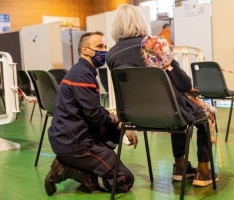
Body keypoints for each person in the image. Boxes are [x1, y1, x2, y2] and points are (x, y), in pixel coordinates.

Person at [106, 4, 218, 187]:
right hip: (168, 111)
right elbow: (184, 83)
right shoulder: (154, 44)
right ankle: (204, 172)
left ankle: (181, 168)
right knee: (203, 113)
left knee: (177, 110)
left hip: (134, 115)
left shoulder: (111, 54)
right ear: (140, 21)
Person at [44, 31, 138, 196]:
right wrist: (116, 119)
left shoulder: (82, 71)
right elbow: (95, 116)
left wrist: (117, 122)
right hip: (75, 144)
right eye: (99, 46)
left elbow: (92, 110)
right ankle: (74, 171)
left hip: (69, 139)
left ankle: (72, 164)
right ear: (85, 50)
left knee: (114, 129)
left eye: (105, 46)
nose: (104, 50)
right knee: (124, 179)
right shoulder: (82, 75)